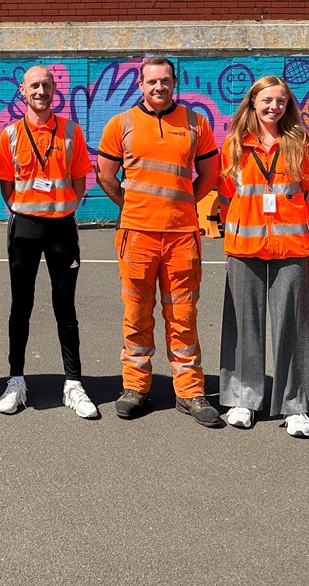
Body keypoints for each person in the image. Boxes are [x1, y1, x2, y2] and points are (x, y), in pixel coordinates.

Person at [96, 56, 223, 427]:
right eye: (152, 81)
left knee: (183, 315)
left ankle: (190, 392)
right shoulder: (121, 124)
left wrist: (181, 204)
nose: (159, 87)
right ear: (141, 84)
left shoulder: (196, 122)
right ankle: (135, 386)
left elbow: (210, 174)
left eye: (165, 81)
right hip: (136, 234)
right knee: (136, 313)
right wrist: (134, 204)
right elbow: (105, 175)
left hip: (182, 235)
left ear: (174, 83)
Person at [216, 76, 309, 438]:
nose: (273, 106)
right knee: (245, 326)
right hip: (245, 248)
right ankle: (243, 399)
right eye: (267, 100)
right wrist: (231, 242)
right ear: (253, 103)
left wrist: (298, 229)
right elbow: (226, 200)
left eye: (280, 100)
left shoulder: (302, 145)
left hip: (291, 249)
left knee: (292, 326)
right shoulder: (233, 146)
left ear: (287, 105)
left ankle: (295, 406)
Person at [0, 65, 99, 419]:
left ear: (55, 90)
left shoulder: (71, 131)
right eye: (34, 86)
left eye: (46, 85)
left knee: (65, 307)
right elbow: (6, 185)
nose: (40, 91)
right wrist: (25, 209)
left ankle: (73, 383)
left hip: (61, 228)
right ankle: (16, 380)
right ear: (22, 91)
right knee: (20, 305)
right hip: (24, 228)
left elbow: (81, 180)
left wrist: (63, 207)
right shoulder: (9, 134)